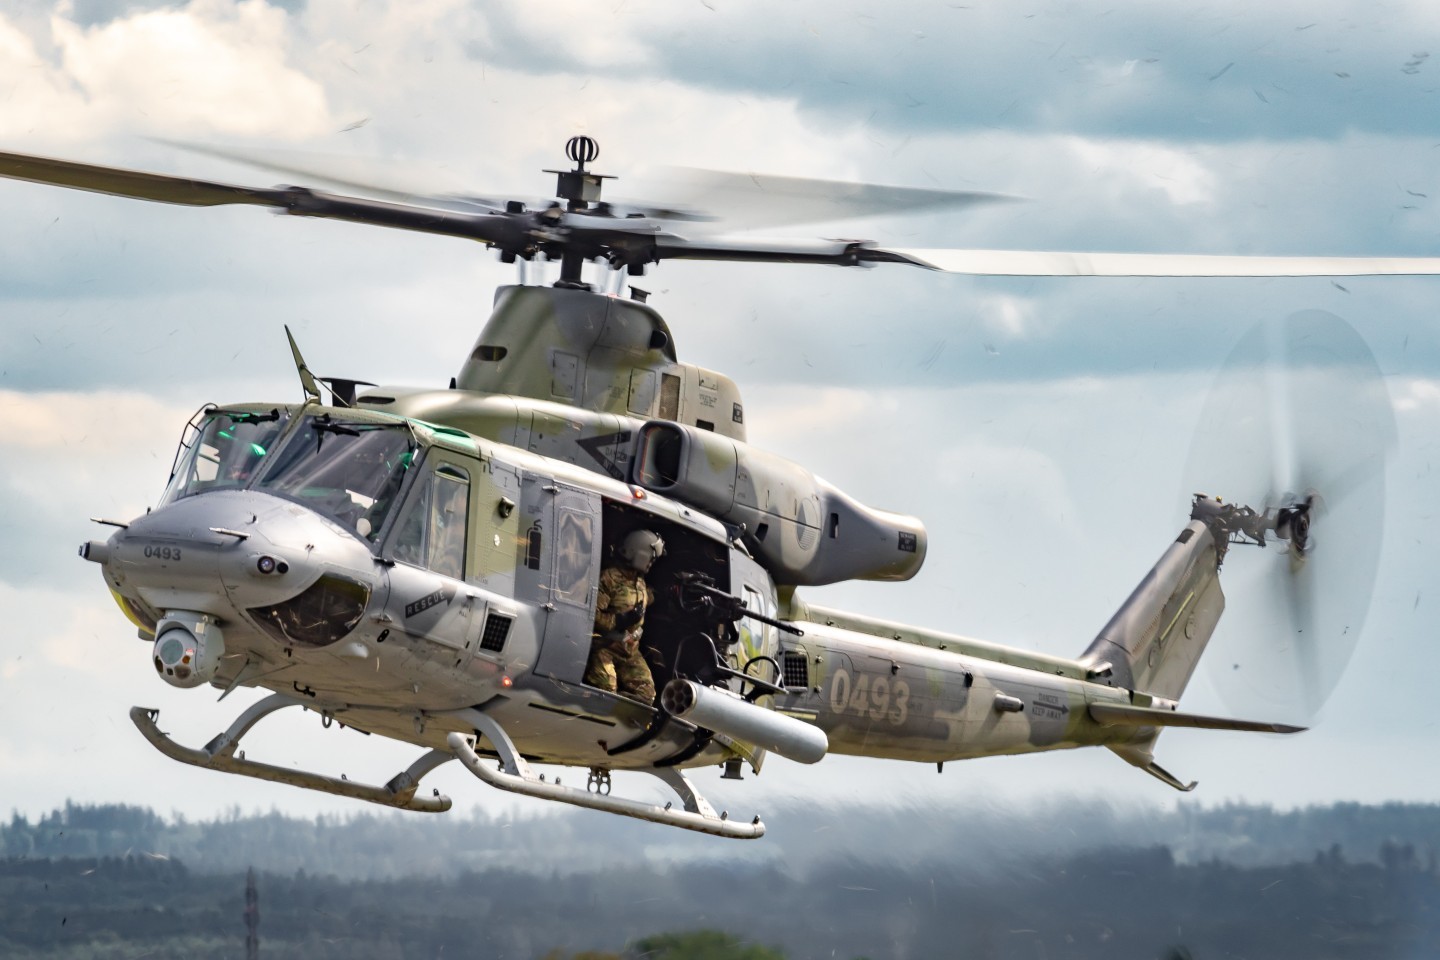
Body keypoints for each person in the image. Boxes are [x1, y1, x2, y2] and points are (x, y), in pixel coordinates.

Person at [584, 529, 664, 703]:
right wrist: (620, 620)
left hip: (630, 651)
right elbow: (592, 615)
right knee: (606, 690)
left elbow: (647, 597)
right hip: (605, 647)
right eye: (651, 558)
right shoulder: (609, 578)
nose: (652, 563)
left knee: (646, 696)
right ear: (638, 553)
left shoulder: (640, 582)